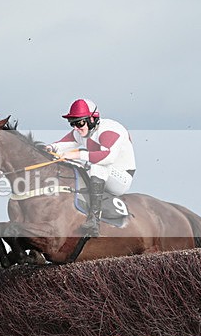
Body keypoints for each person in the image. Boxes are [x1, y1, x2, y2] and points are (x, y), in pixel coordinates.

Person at [45, 99, 136, 237]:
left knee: (97, 166)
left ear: (93, 119)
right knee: (70, 166)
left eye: (80, 122)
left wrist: (77, 154)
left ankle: (94, 220)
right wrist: (49, 148)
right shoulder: (83, 131)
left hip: (121, 178)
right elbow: (61, 145)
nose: (76, 127)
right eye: (73, 123)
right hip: (102, 172)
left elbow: (107, 157)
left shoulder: (109, 130)